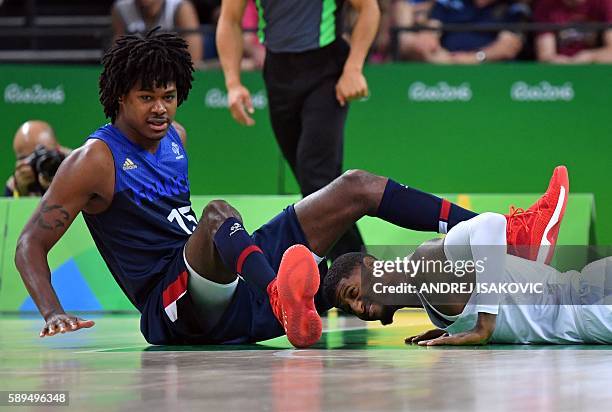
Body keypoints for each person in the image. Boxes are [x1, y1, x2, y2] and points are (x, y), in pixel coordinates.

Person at [15, 30, 564, 349]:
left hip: (232, 278)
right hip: (173, 307)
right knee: (216, 216)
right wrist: (51, 311)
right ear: (117, 97)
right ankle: (282, 293)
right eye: (145, 98)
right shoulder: (95, 159)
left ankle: (505, 234)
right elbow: (29, 245)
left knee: (355, 186)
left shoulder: (175, 136)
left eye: (168, 95)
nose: (160, 109)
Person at [324, 167, 612, 345]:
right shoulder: (428, 294)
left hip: (588, 305)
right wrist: (454, 327)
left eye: (353, 293)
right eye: (349, 308)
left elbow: (490, 224)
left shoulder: (424, 262)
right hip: (587, 294)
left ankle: (525, 236)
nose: (358, 307)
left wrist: (484, 325)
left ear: (372, 266)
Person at [216, 0, 381, 263]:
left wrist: (353, 68)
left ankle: (356, 282)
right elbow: (229, 20)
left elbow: (369, 8)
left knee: (316, 178)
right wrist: (233, 83)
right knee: (318, 189)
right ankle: (343, 283)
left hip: (327, 70)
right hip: (278, 75)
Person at [401, 0, 525, 63]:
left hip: (492, 73)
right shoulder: (449, 2)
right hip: (445, 68)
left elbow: (508, 47)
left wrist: (475, 58)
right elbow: (429, 35)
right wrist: (449, 60)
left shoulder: (514, 8)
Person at [111, 0, 203, 63]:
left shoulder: (181, 7)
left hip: (173, 74)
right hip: (135, 74)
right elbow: (116, 58)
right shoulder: (121, 8)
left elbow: (194, 59)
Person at [5, 120, 70, 198]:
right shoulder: (16, 184)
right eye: (28, 158)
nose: (41, 163)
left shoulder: (76, 163)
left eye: (44, 154)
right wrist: (22, 193)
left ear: (58, 149)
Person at [534, 0, 612, 64]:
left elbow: (610, 52)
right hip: (560, 71)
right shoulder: (546, 5)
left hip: (597, 70)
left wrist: (590, 57)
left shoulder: (605, 3)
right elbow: (545, 56)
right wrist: (567, 63)